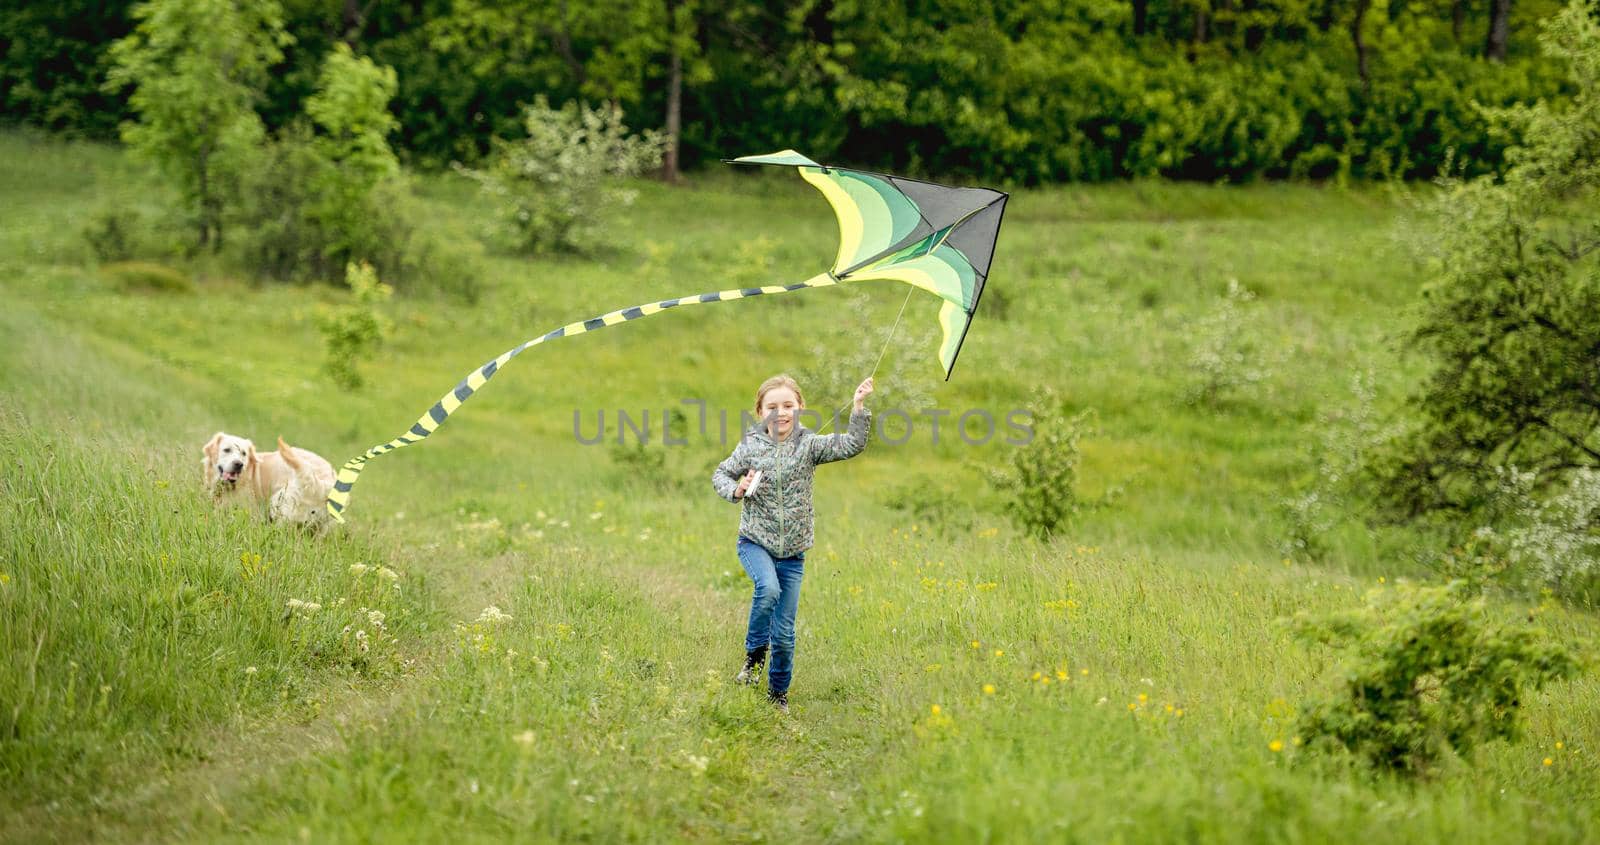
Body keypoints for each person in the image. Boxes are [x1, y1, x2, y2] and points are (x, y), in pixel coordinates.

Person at [711, 374, 874, 713]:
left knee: (784, 633)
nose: (780, 413)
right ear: (760, 411)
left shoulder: (809, 445)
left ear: (800, 408)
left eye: (788, 406)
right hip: (755, 542)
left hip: (793, 553)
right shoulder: (751, 445)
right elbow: (721, 474)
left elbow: (851, 445)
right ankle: (754, 657)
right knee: (767, 589)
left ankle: (778, 695)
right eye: (772, 407)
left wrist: (858, 406)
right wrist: (736, 490)